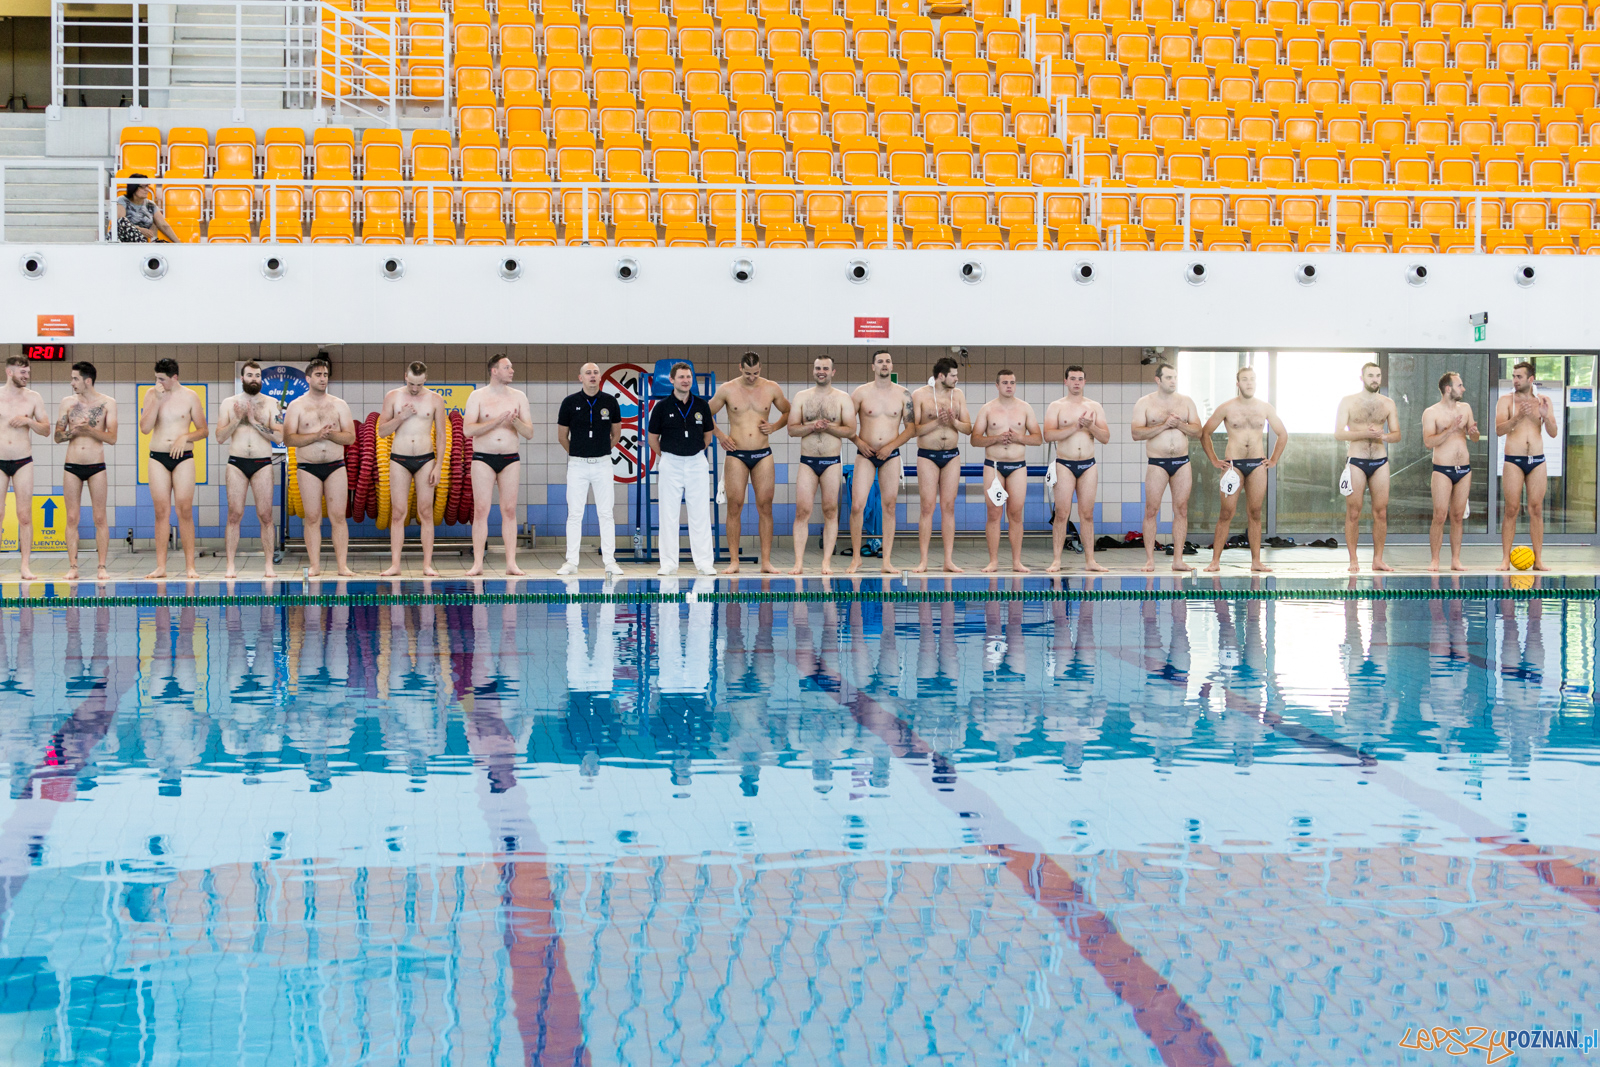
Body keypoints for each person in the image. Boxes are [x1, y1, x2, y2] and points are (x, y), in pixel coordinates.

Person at [1201, 365, 1288, 574]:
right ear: (1238, 383)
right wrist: (1214, 459)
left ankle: (1256, 562)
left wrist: (1274, 459)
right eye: (1245, 379)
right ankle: (1215, 561)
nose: (1249, 383)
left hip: (1257, 464)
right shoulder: (1227, 407)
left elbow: (1282, 434)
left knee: (1255, 513)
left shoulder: (1265, 407)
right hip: (1233, 466)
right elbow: (1205, 433)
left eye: (1252, 379)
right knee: (1226, 513)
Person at [708, 352, 790, 574]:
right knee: (734, 506)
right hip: (737, 454)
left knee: (765, 506)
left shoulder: (771, 388)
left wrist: (775, 426)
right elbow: (705, 414)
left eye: (756, 373)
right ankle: (734, 561)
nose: (752, 377)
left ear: (760, 369)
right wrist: (721, 436)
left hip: (763, 454)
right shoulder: (727, 389)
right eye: (747, 373)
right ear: (740, 368)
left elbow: (788, 410)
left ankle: (766, 562)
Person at [283, 353, 357, 577]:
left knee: (338, 517)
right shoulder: (296, 406)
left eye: (325, 375)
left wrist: (330, 435)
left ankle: (342, 566)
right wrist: (316, 436)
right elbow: (288, 439)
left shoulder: (339, 405)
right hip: (308, 467)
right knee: (312, 517)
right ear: (308, 378)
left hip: (336, 466)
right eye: (318, 375)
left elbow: (350, 438)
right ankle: (315, 565)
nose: (323, 378)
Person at [464, 353, 535, 576]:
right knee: (481, 510)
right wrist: (496, 421)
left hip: (510, 458)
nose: (512, 370)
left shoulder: (519, 397)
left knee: (509, 510)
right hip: (483, 458)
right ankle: (477, 563)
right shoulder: (477, 396)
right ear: (494, 371)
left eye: (511, 367)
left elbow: (529, 433)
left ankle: (511, 563)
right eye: (507, 367)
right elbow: (468, 430)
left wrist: (514, 422)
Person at [786, 356, 857, 575]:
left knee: (830, 510)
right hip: (807, 461)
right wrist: (811, 427)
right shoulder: (801, 397)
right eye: (818, 368)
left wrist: (826, 428)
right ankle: (798, 563)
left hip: (831, 462)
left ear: (833, 371)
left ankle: (826, 562)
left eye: (825, 368)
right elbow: (791, 429)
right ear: (813, 370)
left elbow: (851, 430)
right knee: (802, 511)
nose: (821, 371)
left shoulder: (843, 398)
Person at [139, 357, 208, 579]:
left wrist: (185, 436)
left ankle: (190, 567)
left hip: (184, 458)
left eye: (162, 379)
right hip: (158, 457)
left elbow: (203, 430)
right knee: (161, 512)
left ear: (174, 377)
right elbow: (145, 428)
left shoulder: (190, 396)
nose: (158, 382)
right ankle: (161, 566)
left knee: (184, 511)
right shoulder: (152, 394)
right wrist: (157, 400)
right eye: (156, 378)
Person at [376, 361, 448, 577]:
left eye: (419, 384)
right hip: (399, 459)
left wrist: (439, 465)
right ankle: (395, 565)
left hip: (426, 459)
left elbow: (443, 436)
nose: (414, 389)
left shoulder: (436, 399)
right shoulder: (393, 397)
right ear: (405, 376)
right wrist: (400, 417)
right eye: (411, 383)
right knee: (398, 513)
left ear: (425, 379)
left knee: (425, 513)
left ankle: (427, 565)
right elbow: (381, 431)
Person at [847, 349, 915, 575]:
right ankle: (856, 558)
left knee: (889, 506)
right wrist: (858, 442)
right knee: (857, 505)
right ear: (873, 366)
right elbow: (847, 426)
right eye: (880, 361)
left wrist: (891, 446)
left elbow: (911, 429)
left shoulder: (904, 394)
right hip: (865, 455)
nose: (884, 365)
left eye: (888, 361)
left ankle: (886, 560)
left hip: (891, 456)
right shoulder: (860, 393)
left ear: (892, 366)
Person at [647, 362, 716, 576]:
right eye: (681, 377)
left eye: (688, 377)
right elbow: (652, 438)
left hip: (696, 461)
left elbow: (708, 435)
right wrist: (667, 455)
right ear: (672, 380)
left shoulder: (702, 405)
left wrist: (694, 452)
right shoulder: (661, 407)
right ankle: (668, 563)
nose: (686, 380)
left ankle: (704, 563)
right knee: (668, 513)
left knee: (700, 513)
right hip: (670, 462)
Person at [556, 361, 625, 577]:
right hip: (577, 465)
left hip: (603, 464)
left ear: (600, 377)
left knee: (606, 513)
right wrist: (579, 453)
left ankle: (610, 561)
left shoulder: (610, 402)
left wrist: (600, 451)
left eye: (596, 372)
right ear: (581, 378)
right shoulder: (569, 402)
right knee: (575, 514)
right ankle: (571, 561)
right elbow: (562, 436)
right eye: (588, 373)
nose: (592, 376)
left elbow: (616, 434)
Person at [1131, 362, 1202, 573]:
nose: (1173, 381)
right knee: (1151, 510)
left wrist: (1179, 425)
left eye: (1175, 377)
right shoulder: (1145, 403)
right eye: (1168, 377)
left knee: (1181, 510)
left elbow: (1198, 430)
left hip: (1182, 462)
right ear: (1158, 380)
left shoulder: (1186, 402)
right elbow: (1136, 433)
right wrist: (1163, 425)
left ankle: (1178, 560)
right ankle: (1150, 560)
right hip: (1157, 463)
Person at [215, 359, 281, 579]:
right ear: (242, 378)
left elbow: (279, 436)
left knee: (266, 515)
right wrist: (238, 420)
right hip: (237, 463)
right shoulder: (228, 403)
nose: (254, 379)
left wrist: (252, 420)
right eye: (250, 375)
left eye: (258, 376)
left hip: (262, 463)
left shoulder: (271, 404)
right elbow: (220, 437)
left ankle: (269, 566)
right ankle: (230, 566)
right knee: (234, 514)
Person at [970, 369, 1042, 573]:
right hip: (993, 466)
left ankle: (1016, 561)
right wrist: (996, 438)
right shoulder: (987, 409)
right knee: (994, 513)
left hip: (1018, 466)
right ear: (997, 385)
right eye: (1005, 382)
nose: (1009, 386)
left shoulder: (1025, 408)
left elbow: (1038, 438)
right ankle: (993, 561)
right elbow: (975, 439)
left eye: (1012, 382)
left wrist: (1018, 438)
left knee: (1015, 513)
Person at [1334, 362, 1401, 573]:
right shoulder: (1348, 401)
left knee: (1381, 512)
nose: (1375, 379)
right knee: (1354, 512)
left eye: (1378, 375)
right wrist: (1365, 434)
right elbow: (1339, 433)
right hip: (1356, 460)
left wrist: (1383, 436)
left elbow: (1397, 435)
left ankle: (1378, 560)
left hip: (1380, 461)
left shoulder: (1388, 403)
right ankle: (1353, 560)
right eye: (1371, 375)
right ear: (1362, 378)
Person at [54, 360, 118, 581]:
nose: (72, 383)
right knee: (72, 517)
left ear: (87, 381)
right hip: (72, 465)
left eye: (75, 379)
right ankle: (73, 566)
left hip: (96, 466)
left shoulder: (108, 403)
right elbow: (57, 437)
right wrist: (73, 432)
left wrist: (89, 429)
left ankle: (101, 567)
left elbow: (112, 438)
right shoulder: (67, 403)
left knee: (100, 517)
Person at [1042, 365, 1109, 574]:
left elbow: (1105, 438)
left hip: (1088, 464)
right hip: (1065, 463)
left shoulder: (1094, 406)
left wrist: (1090, 426)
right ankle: (1056, 560)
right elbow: (1048, 435)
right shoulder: (1056, 406)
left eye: (1080, 379)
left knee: (1087, 513)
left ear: (1085, 382)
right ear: (1066, 381)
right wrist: (1075, 427)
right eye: (1073, 378)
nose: (1077, 382)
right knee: (1062, 513)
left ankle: (1090, 560)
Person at [911, 357, 973, 573]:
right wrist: (937, 422)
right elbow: (914, 430)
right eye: (953, 375)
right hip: (927, 455)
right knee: (927, 506)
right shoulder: (919, 395)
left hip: (952, 457)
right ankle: (924, 561)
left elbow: (968, 428)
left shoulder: (958, 395)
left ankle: (948, 560)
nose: (957, 379)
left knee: (949, 507)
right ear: (941, 376)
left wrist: (952, 422)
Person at [1495, 360, 1558, 572]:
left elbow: (1553, 432)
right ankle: (1505, 559)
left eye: (1519, 377)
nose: (1515, 380)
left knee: (1536, 509)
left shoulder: (1544, 400)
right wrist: (1518, 416)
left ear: (1530, 379)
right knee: (1511, 509)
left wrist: (1545, 416)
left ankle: (1538, 560)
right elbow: (1499, 430)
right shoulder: (1505, 401)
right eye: (1513, 376)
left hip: (1537, 460)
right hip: (1514, 459)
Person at [1423, 371, 1480, 574]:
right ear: (1448, 389)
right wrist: (1449, 429)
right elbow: (1429, 442)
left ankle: (1456, 559)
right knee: (1439, 515)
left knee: (1457, 516)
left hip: (1464, 469)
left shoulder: (1465, 408)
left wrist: (1474, 433)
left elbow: (1474, 437)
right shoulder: (1431, 413)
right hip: (1442, 470)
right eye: (1459, 385)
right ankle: (1435, 560)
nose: (1463, 389)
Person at [0, 356, 50, 581]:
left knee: (24, 515)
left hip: (23, 461)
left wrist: (28, 421)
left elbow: (46, 430)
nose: (26, 377)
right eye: (22, 373)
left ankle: (25, 566)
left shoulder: (33, 398)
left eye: (28, 372)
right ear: (9, 372)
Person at [115, 176, 178, 243]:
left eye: (147, 186)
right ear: (133, 187)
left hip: (142, 241)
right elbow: (121, 222)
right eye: (143, 186)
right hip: (123, 240)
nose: (147, 189)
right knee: (122, 221)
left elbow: (163, 225)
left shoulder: (150, 205)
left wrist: (179, 243)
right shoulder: (122, 200)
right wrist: (140, 230)